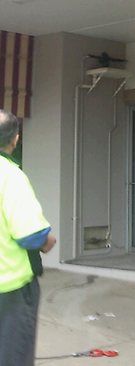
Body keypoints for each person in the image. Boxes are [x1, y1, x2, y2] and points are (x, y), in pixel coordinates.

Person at [0, 109, 57, 365]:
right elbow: (30, 235)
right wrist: (48, 242)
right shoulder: (10, 177)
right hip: (10, 290)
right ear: (15, 139)